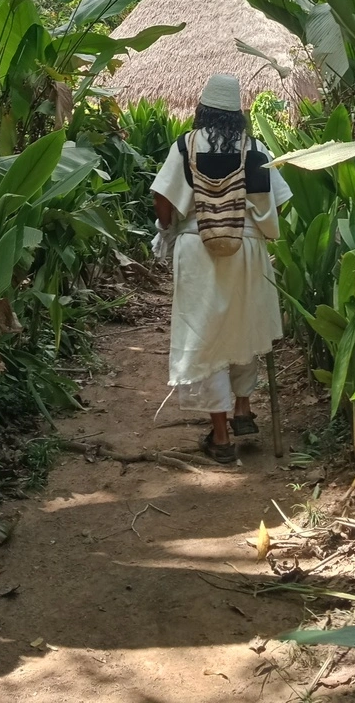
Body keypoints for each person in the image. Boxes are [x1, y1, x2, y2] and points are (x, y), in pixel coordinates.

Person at [150, 73, 293, 463]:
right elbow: (279, 204)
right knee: (242, 326)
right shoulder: (256, 149)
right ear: (238, 114)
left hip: (199, 249)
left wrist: (169, 228)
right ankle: (243, 408)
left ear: (202, 109)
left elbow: (163, 199)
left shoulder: (185, 147)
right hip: (246, 249)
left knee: (207, 336)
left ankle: (221, 437)